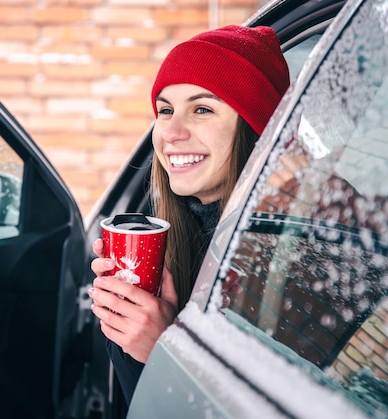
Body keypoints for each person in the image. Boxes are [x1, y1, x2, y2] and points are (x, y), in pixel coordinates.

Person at [88, 24, 291, 405]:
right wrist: (129, 326)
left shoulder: (292, 246)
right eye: (165, 110)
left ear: (255, 127)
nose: (171, 131)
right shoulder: (177, 227)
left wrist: (167, 354)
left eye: (201, 109)